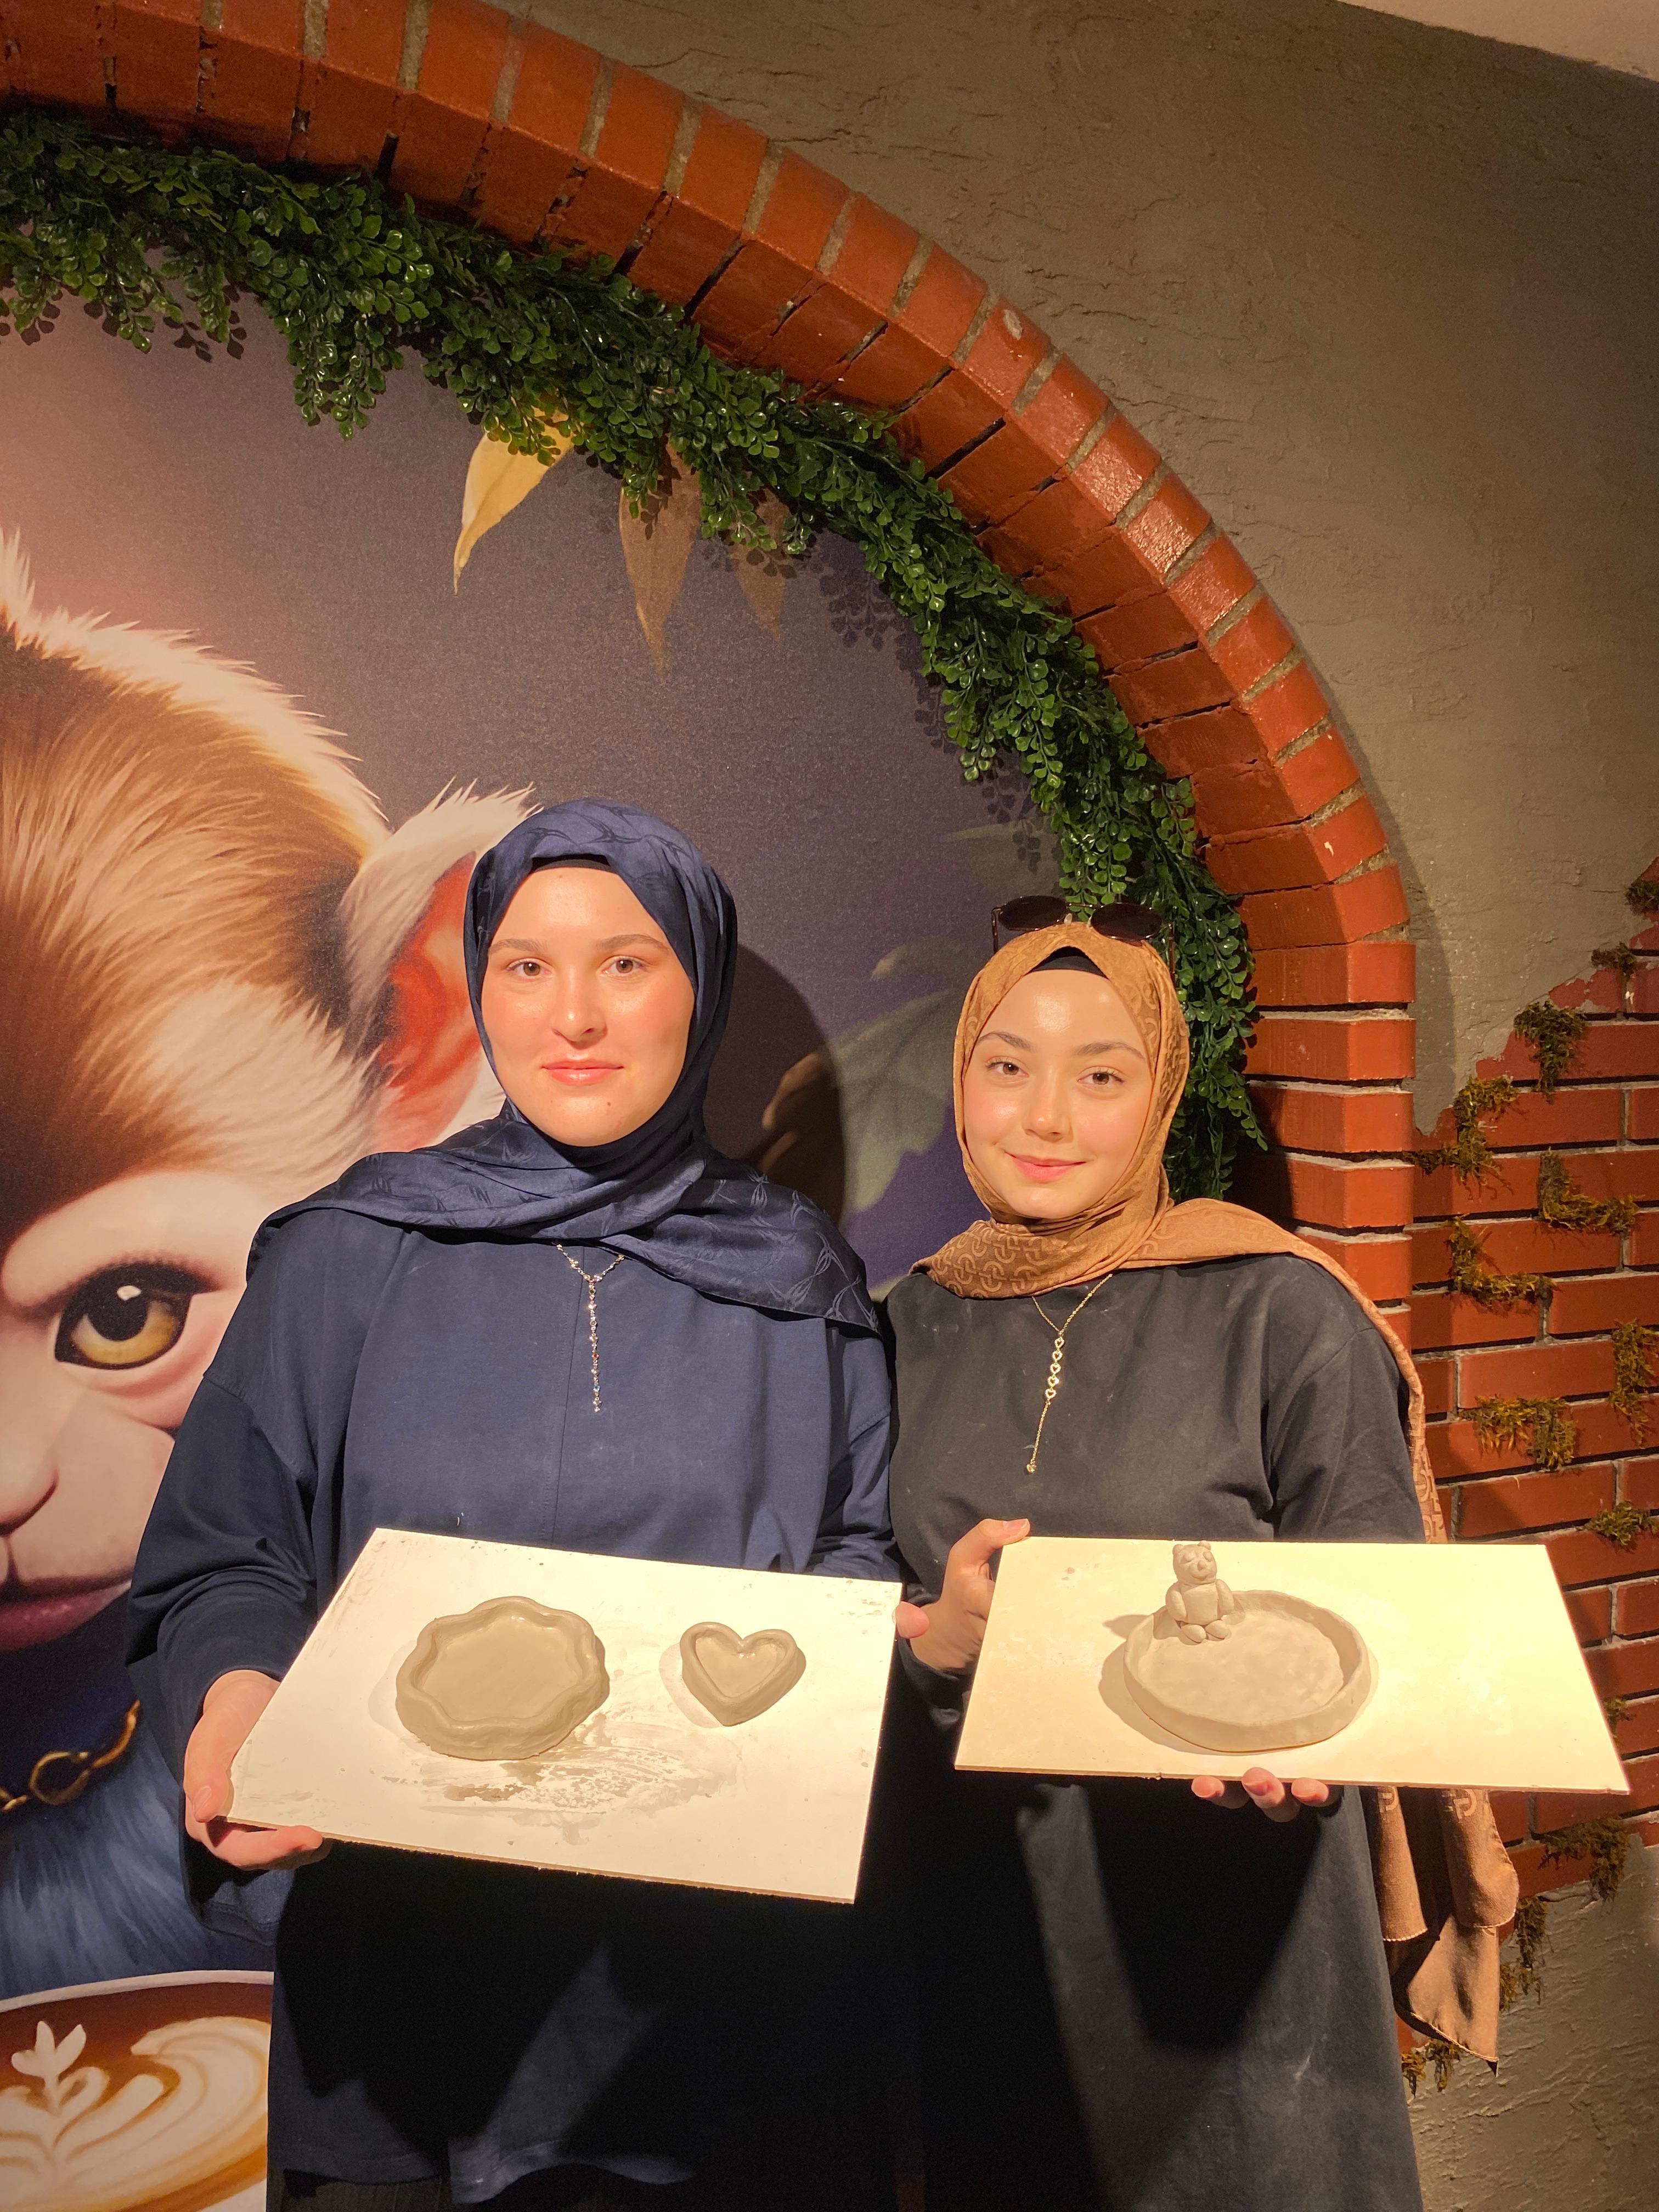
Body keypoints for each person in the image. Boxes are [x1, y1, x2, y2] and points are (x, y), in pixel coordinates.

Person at [126, 800, 895, 2212]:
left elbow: (854, 1547)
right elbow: (229, 1551)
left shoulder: (796, 1277)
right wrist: (238, 1693)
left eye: (626, 964)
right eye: (527, 967)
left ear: (697, 990)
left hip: (703, 1998)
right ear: (476, 988)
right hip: (405, 1993)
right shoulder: (349, 1250)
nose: (574, 1016)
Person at [878, 906, 1515, 2212]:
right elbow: (876, 1626)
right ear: (963, 1081)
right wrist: (933, 1642)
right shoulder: (909, 1321)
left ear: (1161, 1092)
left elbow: (1381, 1620)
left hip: (1238, 1920)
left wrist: (1307, 1736)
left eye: (1101, 1075)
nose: (1046, 1115)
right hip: (994, 1912)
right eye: (1008, 1065)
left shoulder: (1281, 1309)